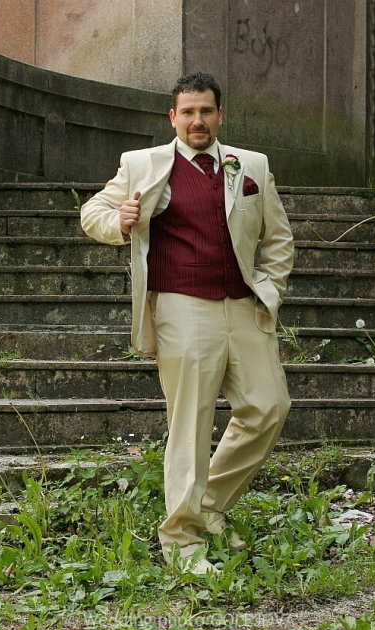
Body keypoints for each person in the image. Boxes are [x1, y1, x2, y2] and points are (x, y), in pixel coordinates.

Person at [81, 71, 294, 575]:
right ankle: (180, 539)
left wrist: (270, 289)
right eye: (188, 112)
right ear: (172, 117)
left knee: (269, 407)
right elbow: (93, 212)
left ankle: (208, 506)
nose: (198, 120)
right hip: (182, 305)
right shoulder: (141, 165)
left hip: (244, 306)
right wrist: (119, 222)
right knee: (192, 425)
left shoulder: (252, 165)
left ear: (220, 115)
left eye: (206, 111)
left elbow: (278, 238)